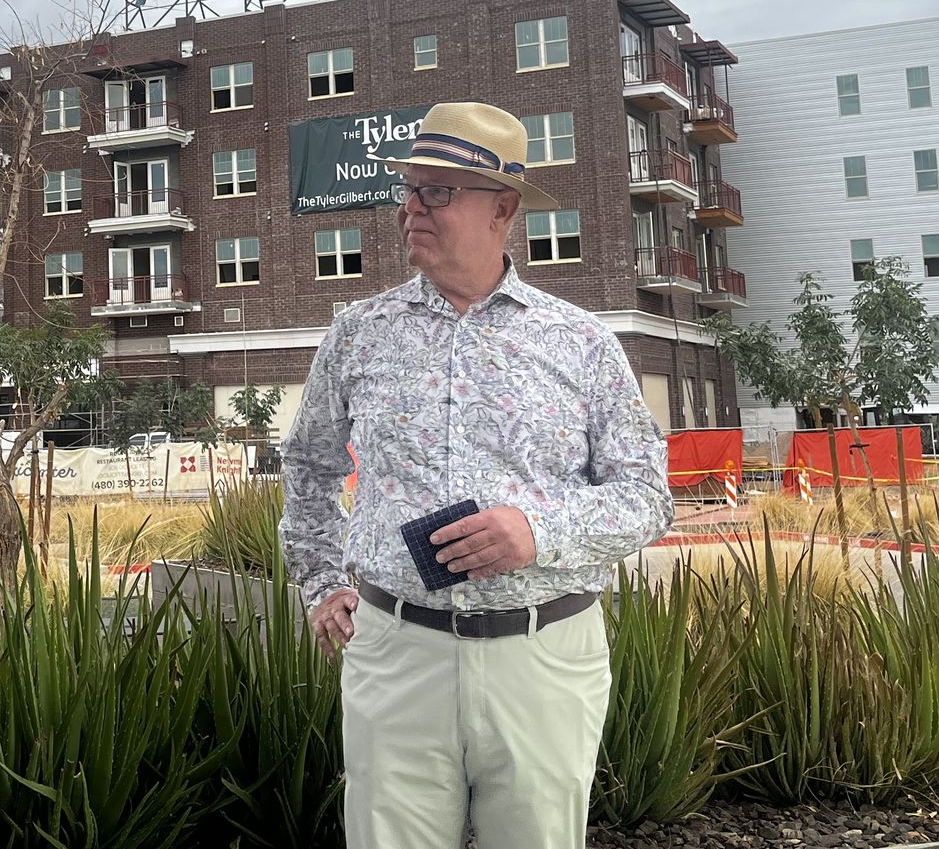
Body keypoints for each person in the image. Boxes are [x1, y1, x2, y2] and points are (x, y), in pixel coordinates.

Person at [281, 101, 673, 849]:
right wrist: (320, 580)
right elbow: (309, 466)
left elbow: (648, 498)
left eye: (437, 192)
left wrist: (539, 531)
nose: (411, 210)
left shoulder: (581, 343)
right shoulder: (359, 334)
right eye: (409, 191)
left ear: (504, 209)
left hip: (544, 658)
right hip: (396, 653)